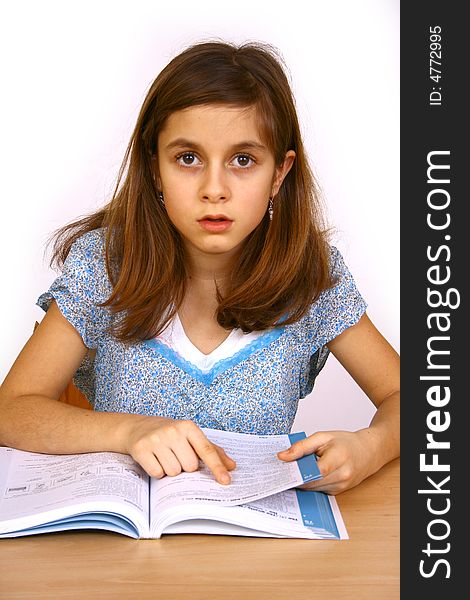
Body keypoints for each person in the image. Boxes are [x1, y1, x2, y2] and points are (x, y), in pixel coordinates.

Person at [0, 40, 399, 495]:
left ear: (280, 173)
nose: (214, 189)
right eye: (187, 158)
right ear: (155, 168)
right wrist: (127, 431)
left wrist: (372, 446)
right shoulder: (105, 263)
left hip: (260, 552)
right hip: (124, 549)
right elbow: (12, 410)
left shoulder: (311, 276)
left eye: (243, 160)